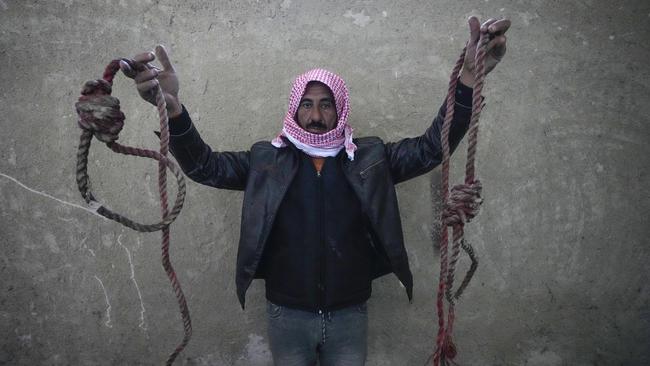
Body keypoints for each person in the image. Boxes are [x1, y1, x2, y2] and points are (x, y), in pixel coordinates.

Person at [120, 15, 510, 366]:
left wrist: (470, 81)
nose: (317, 115)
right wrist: (172, 109)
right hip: (286, 314)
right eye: (306, 104)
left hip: (349, 314)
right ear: (294, 109)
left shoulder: (369, 158)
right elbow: (204, 166)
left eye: (326, 105)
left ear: (339, 109)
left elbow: (430, 149)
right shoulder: (266, 161)